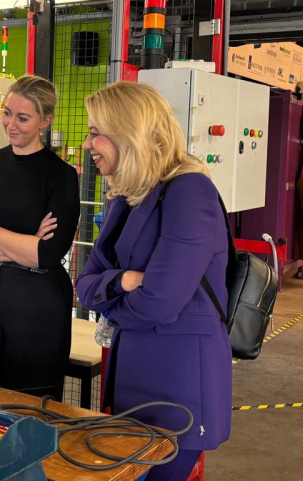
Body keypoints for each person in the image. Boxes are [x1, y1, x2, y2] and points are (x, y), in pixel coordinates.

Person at [75, 82, 231, 481]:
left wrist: (112, 294)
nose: (88, 144)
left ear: (129, 133)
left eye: (96, 132)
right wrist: (125, 280)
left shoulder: (190, 191)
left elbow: (159, 302)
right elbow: (85, 285)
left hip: (177, 383)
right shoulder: (128, 195)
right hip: (135, 374)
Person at [0, 75, 80, 399]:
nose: (10, 124)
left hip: (37, 308)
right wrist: (25, 245)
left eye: (23, 118)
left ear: (45, 121)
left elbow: (47, 254)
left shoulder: (61, 176)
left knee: (27, 409)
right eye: (7, 113)